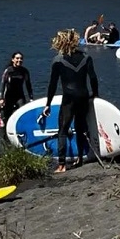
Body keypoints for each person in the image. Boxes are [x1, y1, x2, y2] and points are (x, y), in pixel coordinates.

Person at [43, 29, 99, 174]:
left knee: (62, 130)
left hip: (69, 99)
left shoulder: (58, 60)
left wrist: (48, 104)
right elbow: (93, 78)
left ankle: (62, 165)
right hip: (83, 96)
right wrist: (95, 95)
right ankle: (80, 158)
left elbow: (52, 85)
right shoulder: (86, 57)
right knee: (80, 128)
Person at [0, 52, 33, 124]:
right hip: (9, 96)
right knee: (7, 117)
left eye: (21, 58)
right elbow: (3, 84)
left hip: (19, 96)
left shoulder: (24, 71)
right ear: (13, 59)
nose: (19, 60)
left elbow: (28, 85)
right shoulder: (8, 71)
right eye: (17, 58)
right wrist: (1, 98)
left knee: (22, 113)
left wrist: (31, 98)